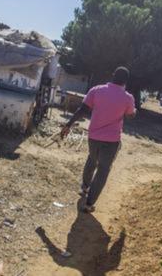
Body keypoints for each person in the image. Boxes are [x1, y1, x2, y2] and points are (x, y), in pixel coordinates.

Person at [60, 67, 136, 213]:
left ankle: (84, 187)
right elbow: (131, 115)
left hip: (93, 137)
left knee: (92, 159)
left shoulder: (96, 90)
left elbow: (82, 110)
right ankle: (89, 204)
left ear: (112, 75)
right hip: (112, 141)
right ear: (126, 81)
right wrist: (134, 111)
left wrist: (68, 125)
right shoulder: (128, 98)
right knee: (103, 170)